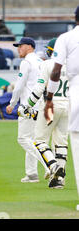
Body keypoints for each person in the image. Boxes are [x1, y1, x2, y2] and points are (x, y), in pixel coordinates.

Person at [44, 6, 79, 198]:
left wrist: (48, 99)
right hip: (70, 98)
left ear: (75, 17)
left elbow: (56, 72)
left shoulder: (65, 38)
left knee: (75, 141)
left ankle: (55, 167)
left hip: (73, 93)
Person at [25, 38, 68, 189]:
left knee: (39, 141)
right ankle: (59, 180)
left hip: (50, 105)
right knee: (61, 144)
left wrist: (27, 105)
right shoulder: (72, 65)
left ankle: (53, 165)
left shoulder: (47, 64)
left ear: (51, 50)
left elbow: (38, 88)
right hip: (68, 106)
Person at [6, 37, 45, 183]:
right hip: (40, 104)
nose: (18, 49)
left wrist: (12, 103)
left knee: (22, 138)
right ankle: (32, 173)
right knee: (32, 140)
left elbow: (19, 85)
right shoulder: (41, 61)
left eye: (20, 46)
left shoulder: (27, 62)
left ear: (29, 46)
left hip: (27, 105)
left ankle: (49, 165)